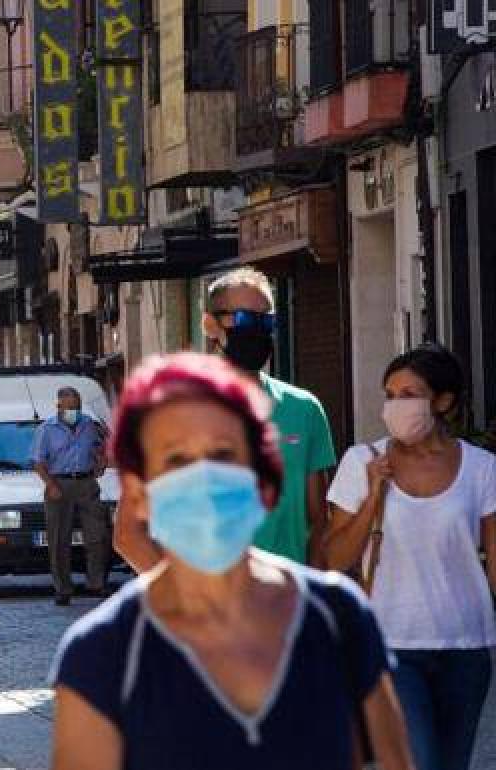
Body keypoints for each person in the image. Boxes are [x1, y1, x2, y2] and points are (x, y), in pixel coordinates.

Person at [50, 352, 413, 770]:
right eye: (176, 460)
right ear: (138, 492)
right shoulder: (101, 652)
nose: (204, 478)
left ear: (264, 478)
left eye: (223, 454)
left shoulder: (338, 618)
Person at [325, 344, 495, 770]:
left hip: (466, 646)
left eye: (408, 394)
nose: (395, 406)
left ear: (443, 401)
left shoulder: (483, 468)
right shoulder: (361, 460)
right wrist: (371, 499)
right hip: (390, 644)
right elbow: (332, 557)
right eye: (390, 394)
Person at [115, 267, 336, 571]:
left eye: (266, 320)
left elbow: (319, 522)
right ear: (210, 324)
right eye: (245, 319)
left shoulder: (305, 410)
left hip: (285, 608)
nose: (257, 329)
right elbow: (129, 535)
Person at [31, 386, 110, 605]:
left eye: (77, 407)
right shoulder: (46, 429)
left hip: (86, 483)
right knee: (58, 539)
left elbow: (98, 450)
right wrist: (50, 485)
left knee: (97, 535)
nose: (74, 411)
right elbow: (37, 462)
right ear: (59, 407)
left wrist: (100, 463)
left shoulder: (89, 425)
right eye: (69, 408)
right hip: (58, 484)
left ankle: (96, 583)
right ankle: (63, 588)